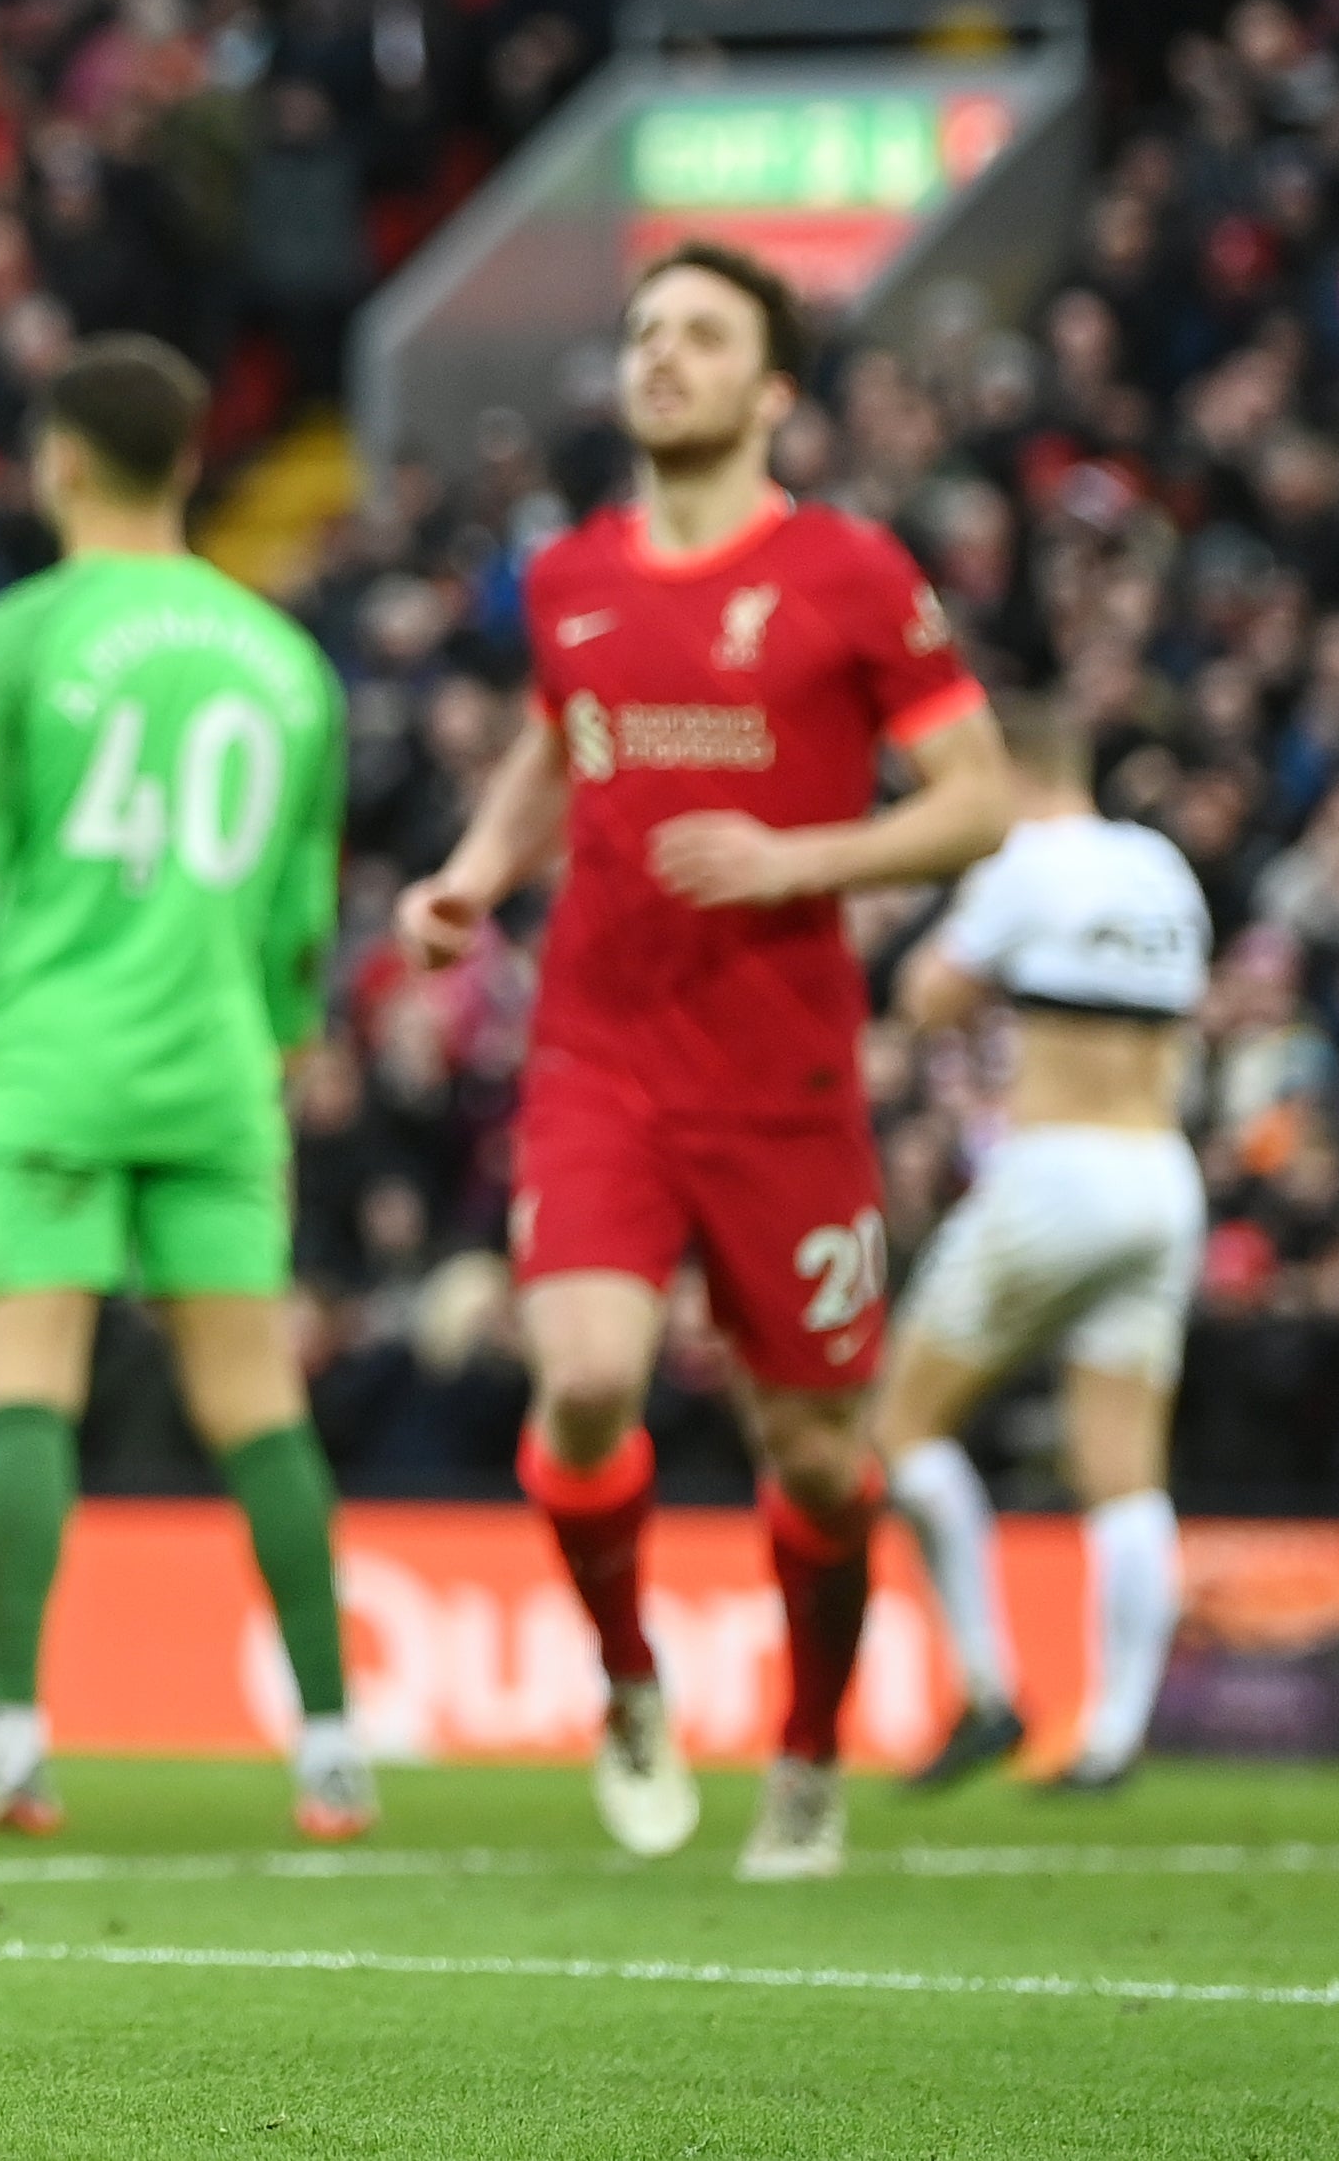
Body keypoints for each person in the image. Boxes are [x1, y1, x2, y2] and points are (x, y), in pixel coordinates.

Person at [395, 240, 1010, 1880]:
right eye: (644, 330)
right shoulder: (567, 575)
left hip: (783, 1077)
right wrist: (471, 870)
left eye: (701, 334)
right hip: (596, 1046)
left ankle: (804, 1753)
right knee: (584, 1379)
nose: (660, 356)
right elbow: (556, 733)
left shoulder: (852, 573)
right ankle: (624, 1679)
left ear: (772, 388)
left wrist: (796, 858)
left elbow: (975, 798)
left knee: (813, 1452)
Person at [0, 338, 373, 1846]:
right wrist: (266, 1048)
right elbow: (299, 920)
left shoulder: (13, 635)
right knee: (256, 1401)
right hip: (218, 1067)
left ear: (60, 461)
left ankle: (10, 1742)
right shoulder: (284, 659)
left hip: (45, 1059)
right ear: (192, 464)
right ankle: (333, 1748)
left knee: (25, 1387)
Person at [876, 698, 1212, 1797]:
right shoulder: (1162, 865)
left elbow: (925, 997)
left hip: (1058, 1169)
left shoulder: (1022, 865)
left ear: (1007, 772)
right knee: (1121, 1470)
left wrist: (969, 1013)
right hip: (1163, 1173)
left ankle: (990, 1690)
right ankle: (1113, 1737)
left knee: (904, 1423)